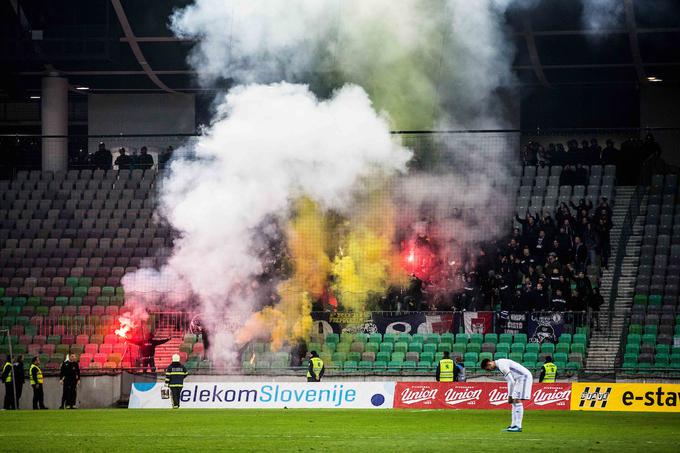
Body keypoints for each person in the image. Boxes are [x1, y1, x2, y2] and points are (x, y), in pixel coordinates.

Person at [481, 358, 533, 433]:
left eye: (488, 369)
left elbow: (511, 381)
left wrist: (510, 396)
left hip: (523, 377)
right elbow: (510, 381)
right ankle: (513, 425)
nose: (490, 370)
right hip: (519, 379)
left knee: (516, 399)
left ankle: (518, 426)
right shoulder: (500, 365)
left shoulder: (501, 365)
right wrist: (510, 395)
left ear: (489, 363)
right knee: (514, 401)